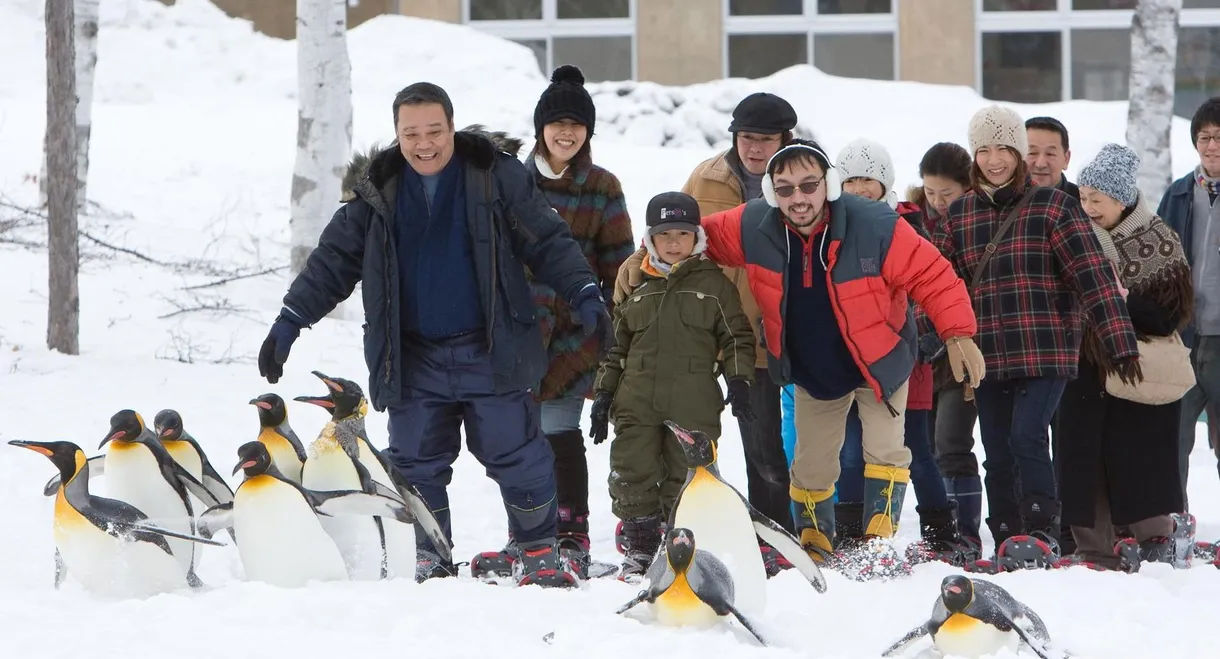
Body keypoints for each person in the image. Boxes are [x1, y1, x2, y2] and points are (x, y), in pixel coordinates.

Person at [257, 82, 610, 588]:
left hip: (491, 347)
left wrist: (583, 293)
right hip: (412, 354)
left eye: (434, 131)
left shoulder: (494, 176)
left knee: (517, 452)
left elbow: (546, 240)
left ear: (451, 125)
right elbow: (334, 261)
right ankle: (429, 552)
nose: (425, 144)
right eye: (411, 133)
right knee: (415, 460)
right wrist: (291, 319)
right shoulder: (378, 193)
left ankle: (537, 549)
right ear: (397, 135)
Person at [684, 139, 983, 564]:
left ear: (828, 184)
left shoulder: (875, 224)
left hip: (880, 360)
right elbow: (692, 238)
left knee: (885, 450)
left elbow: (932, 274)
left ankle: (879, 542)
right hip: (814, 369)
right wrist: (650, 255)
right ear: (771, 193)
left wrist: (958, 334)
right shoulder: (755, 225)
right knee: (811, 464)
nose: (798, 198)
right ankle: (815, 544)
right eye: (784, 189)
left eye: (809, 185)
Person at [933, 105, 1141, 571]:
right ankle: (1007, 533)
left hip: (1045, 346)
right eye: (983, 150)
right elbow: (939, 283)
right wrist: (936, 338)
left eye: (1003, 149)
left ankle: (1044, 529)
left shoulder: (1054, 205)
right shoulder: (961, 213)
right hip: (988, 354)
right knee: (997, 448)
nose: (994, 160)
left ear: (1017, 154)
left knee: (1027, 436)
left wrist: (1119, 339)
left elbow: (1091, 274)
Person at [613, 92, 801, 573]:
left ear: (785, 140)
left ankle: (773, 534)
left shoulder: (796, 181)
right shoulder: (708, 177)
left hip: (764, 330)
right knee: (687, 438)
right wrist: (638, 264)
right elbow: (674, 231)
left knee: (765, 446)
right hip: (700, 328)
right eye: (747, 139)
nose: (755, 149)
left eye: (766, 140)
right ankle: (670, 525)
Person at [474, 65, 635, 579]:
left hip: (573, 331)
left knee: (558, 432)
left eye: (577, 125)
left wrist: (611, 323)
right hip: (515, 329)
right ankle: (527, 535)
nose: (567, 133)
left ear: (587, 132)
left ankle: (571, 535)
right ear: (541, 127)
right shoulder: (510, 180)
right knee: (518, 440)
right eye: (557, 123)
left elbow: (618, 262)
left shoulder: (602, 186)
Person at [588, 191, 756, 581]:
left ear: (696, 237)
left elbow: (736, 337)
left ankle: (676, 544)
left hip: (692, 400)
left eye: (683, 233)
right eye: (665, 235)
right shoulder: (638, 289)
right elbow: (616, 351)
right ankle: (640, 546)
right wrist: (603, 395)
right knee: (632, 470)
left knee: (688, 474)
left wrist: (739, 378)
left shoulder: (714, 286)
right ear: (650, 240)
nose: (674, 242)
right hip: (637, 400)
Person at [831, 138, 976, 570]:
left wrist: (927, 340)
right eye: (850, 180)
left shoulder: (905, 227)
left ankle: (940, 531)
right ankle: (853, 532)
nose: (859, 189)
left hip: (903, 364)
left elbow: (929, 286)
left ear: (885, 184)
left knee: (914, 446)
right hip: (849, 364)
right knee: (851, 449)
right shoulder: (829, 228)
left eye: (868, 181)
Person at [1056, 144, 1195, 572]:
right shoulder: (1071, 235)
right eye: (1083, 197)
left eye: (1097, 199)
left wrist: (1124, 300)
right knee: (1082, 461)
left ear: (1121, 198)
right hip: (1082, 367)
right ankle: (1094, 551)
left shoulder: (1159, 239)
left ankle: (1157, 538)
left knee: (1140, 459)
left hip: (1137, 370)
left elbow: (1173, 312)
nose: (1088, 207)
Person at [911, 142, 984, 548]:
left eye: (947, 194)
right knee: (924, 448)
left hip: (962, 350)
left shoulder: (971, 223)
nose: (937, 202)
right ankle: (939, 532)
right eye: (930, 193)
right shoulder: (912, 222)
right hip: (921, 354)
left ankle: (966, 534)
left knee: (952, 442)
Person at [1159, 96, 1220, 511]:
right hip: (1185, 337)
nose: (1212, 146)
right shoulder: (1179, 193)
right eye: (1205, 138)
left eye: (1219, 137)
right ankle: (1172, 525)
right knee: (1172, 439)